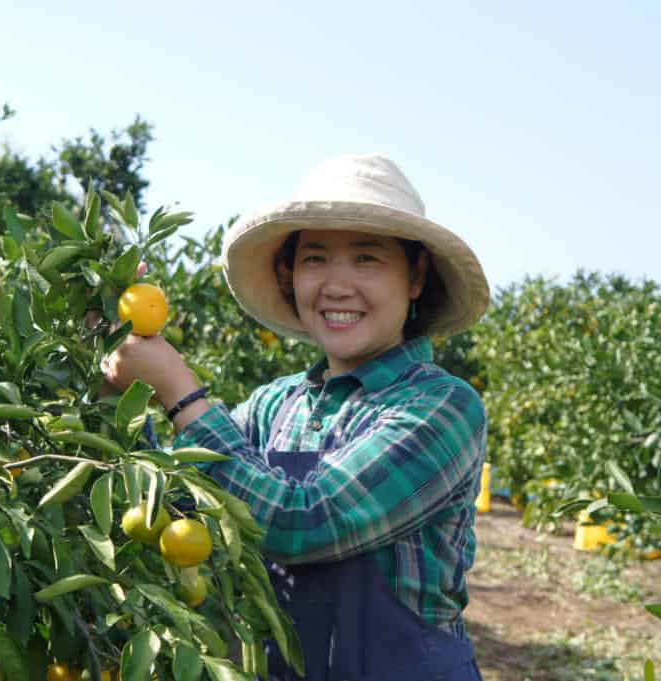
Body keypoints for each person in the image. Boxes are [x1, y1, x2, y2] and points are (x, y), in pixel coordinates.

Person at [102, 154, 490, 681]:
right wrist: (111, 390)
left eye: (367, 258)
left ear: (416, 277)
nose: (336, 284)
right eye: (315, 259)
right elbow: (174, 500)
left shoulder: (442, 408)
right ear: (291, 275)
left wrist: (178, 389)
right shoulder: (274, 405)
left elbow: (304, 521)